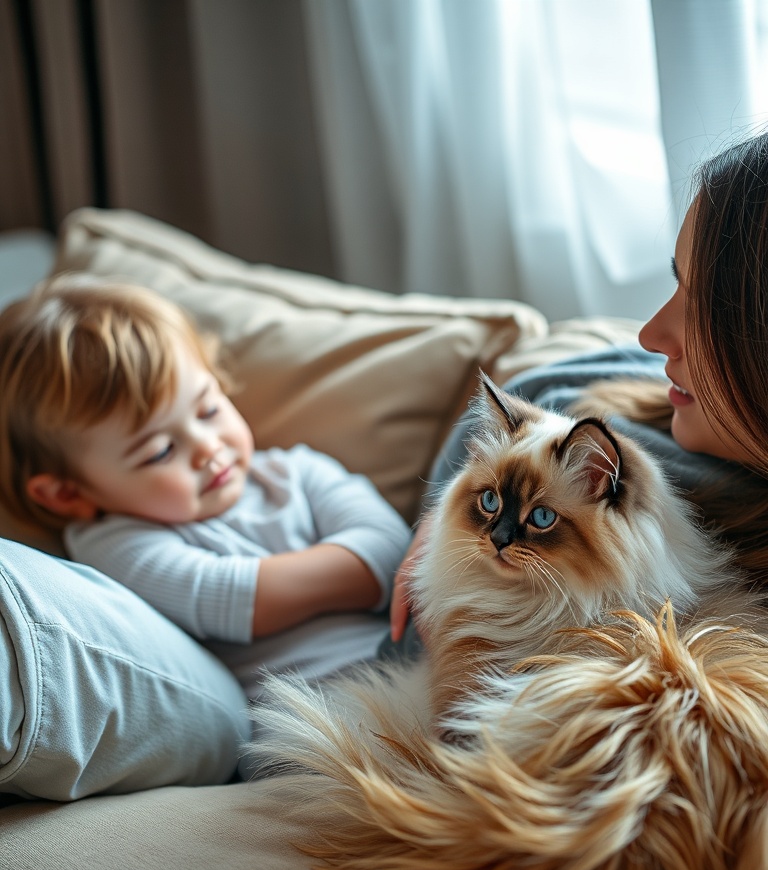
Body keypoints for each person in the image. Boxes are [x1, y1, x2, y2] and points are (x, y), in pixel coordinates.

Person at [390, 129, 768, 642]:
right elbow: (542, 388)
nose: (651, 334)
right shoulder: (643, 391)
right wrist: (445, 519)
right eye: (677, 281)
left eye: (708, 307)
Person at [0, 274, 411, 699]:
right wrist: (357, 565)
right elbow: (235, 598)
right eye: (160, 451)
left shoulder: (300, 471)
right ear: (70, 494)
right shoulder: (114, 543)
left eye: (209, 409)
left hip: (420, 665)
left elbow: (393, 551)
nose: (207, 447)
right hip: (314, 721)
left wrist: (373, 566)